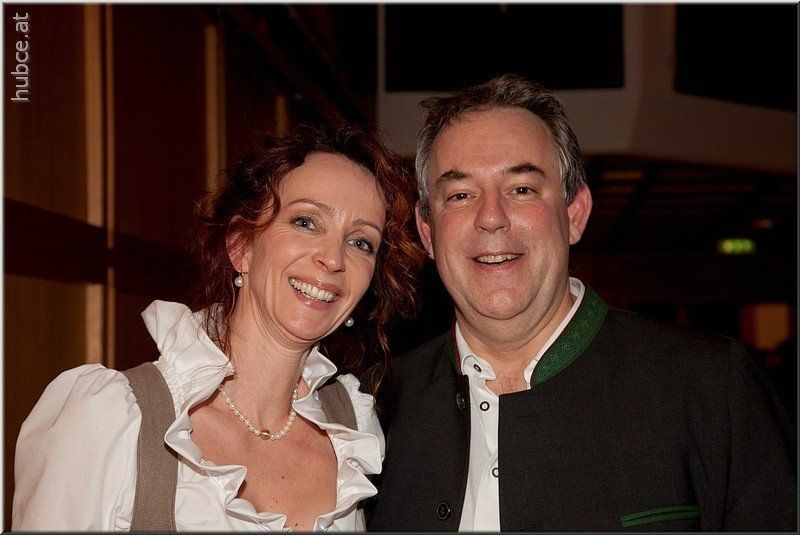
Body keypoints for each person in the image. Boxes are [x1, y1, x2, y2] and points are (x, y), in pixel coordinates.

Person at [366, 75, 796, 531]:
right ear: (428, 231)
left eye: (522, 189)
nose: (491, 217)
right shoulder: (377, 408)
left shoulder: (713, 386)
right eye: (460, 195)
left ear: (574, 213)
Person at [13, 120, 424, 531]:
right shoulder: (110, 422)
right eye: (306, 222)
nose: (333, 259)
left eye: (360, 242)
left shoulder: (355, 433)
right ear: (241, 245)